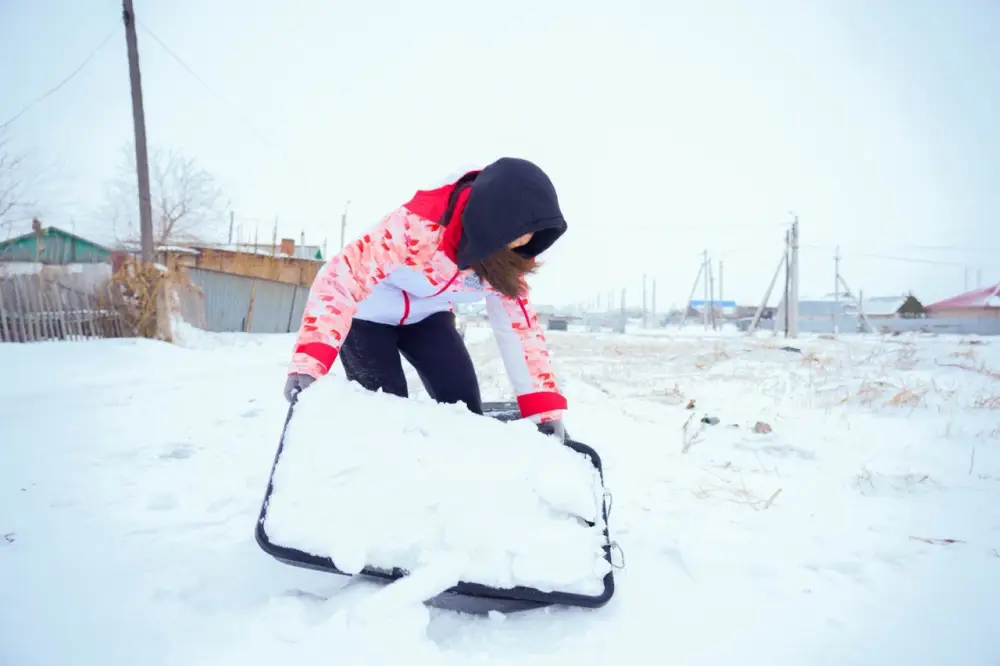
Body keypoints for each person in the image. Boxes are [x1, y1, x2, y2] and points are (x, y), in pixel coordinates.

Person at [283, 157, 570, 439]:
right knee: (383, 415)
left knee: (464, 407)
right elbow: (340, 278)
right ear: (488, 228)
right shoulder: (414, 227)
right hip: (367, 316)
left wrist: (545, 413)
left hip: (429, 315)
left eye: (528, 240)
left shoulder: (507, 259)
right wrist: (308, 364)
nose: (518, 248)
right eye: (512, 239)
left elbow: (520, 330)